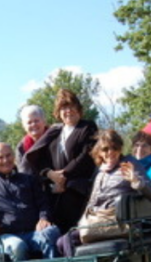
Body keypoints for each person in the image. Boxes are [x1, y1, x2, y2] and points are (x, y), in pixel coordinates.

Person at [56, 129, 151, 257]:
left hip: (119, 222)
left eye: (114, 148)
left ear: (120, 148)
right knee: (61, 242)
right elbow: (92, 203)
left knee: (67, 241)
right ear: (99, 153)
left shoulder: (130, 164)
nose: (110, 152)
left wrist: (136, 181)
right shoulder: (100, 171)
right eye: (105, 149)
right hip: (98, 221)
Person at [21, 89, 99, 232]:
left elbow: (86, 156)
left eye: (71, 106)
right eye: (63, 108)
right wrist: (50, 174)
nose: (68, 111)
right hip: (57, 190)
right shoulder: (55, 132)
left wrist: (64, 177)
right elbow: (41, 157)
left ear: (78, 109)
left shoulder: (87, 127)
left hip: (79, 189)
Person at [15, 104, 48, 173]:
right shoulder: (21, 147)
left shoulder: (55, 138)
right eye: (29, 122)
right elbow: (23, 172)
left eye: (36, 121)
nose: (33, 124)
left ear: (44, 121)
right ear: (24, 126)